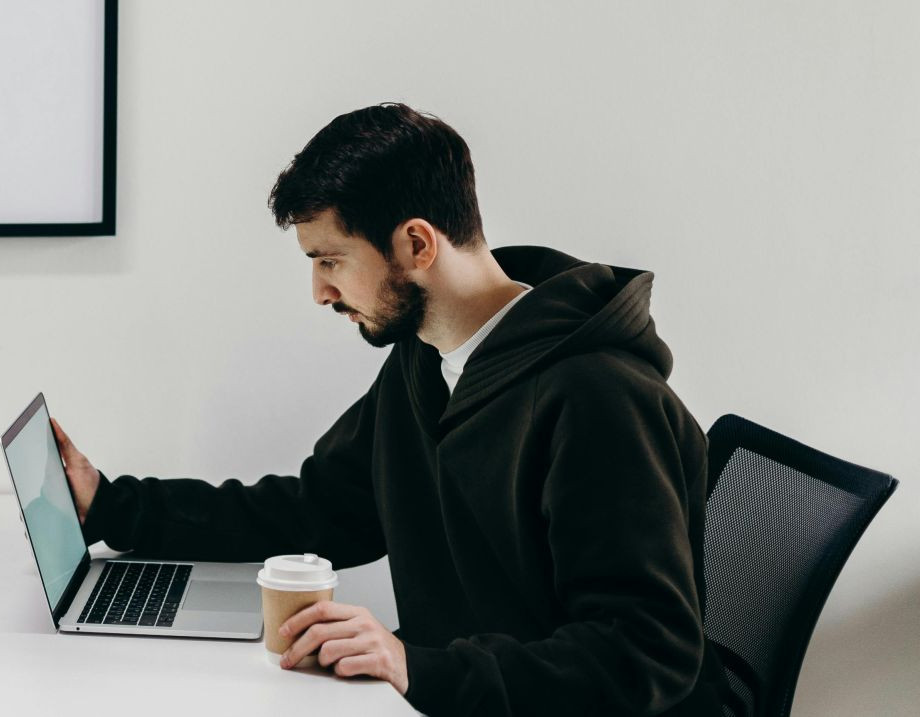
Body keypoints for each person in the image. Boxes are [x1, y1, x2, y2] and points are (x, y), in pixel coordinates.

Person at [51, 103, 728, 715]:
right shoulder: (425, 360)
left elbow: (645, 651)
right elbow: (322, 510)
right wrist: (113, 506)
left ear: (416, 245)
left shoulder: (599, 396)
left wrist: (417, 666)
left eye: (331, 261)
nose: (319, 291)